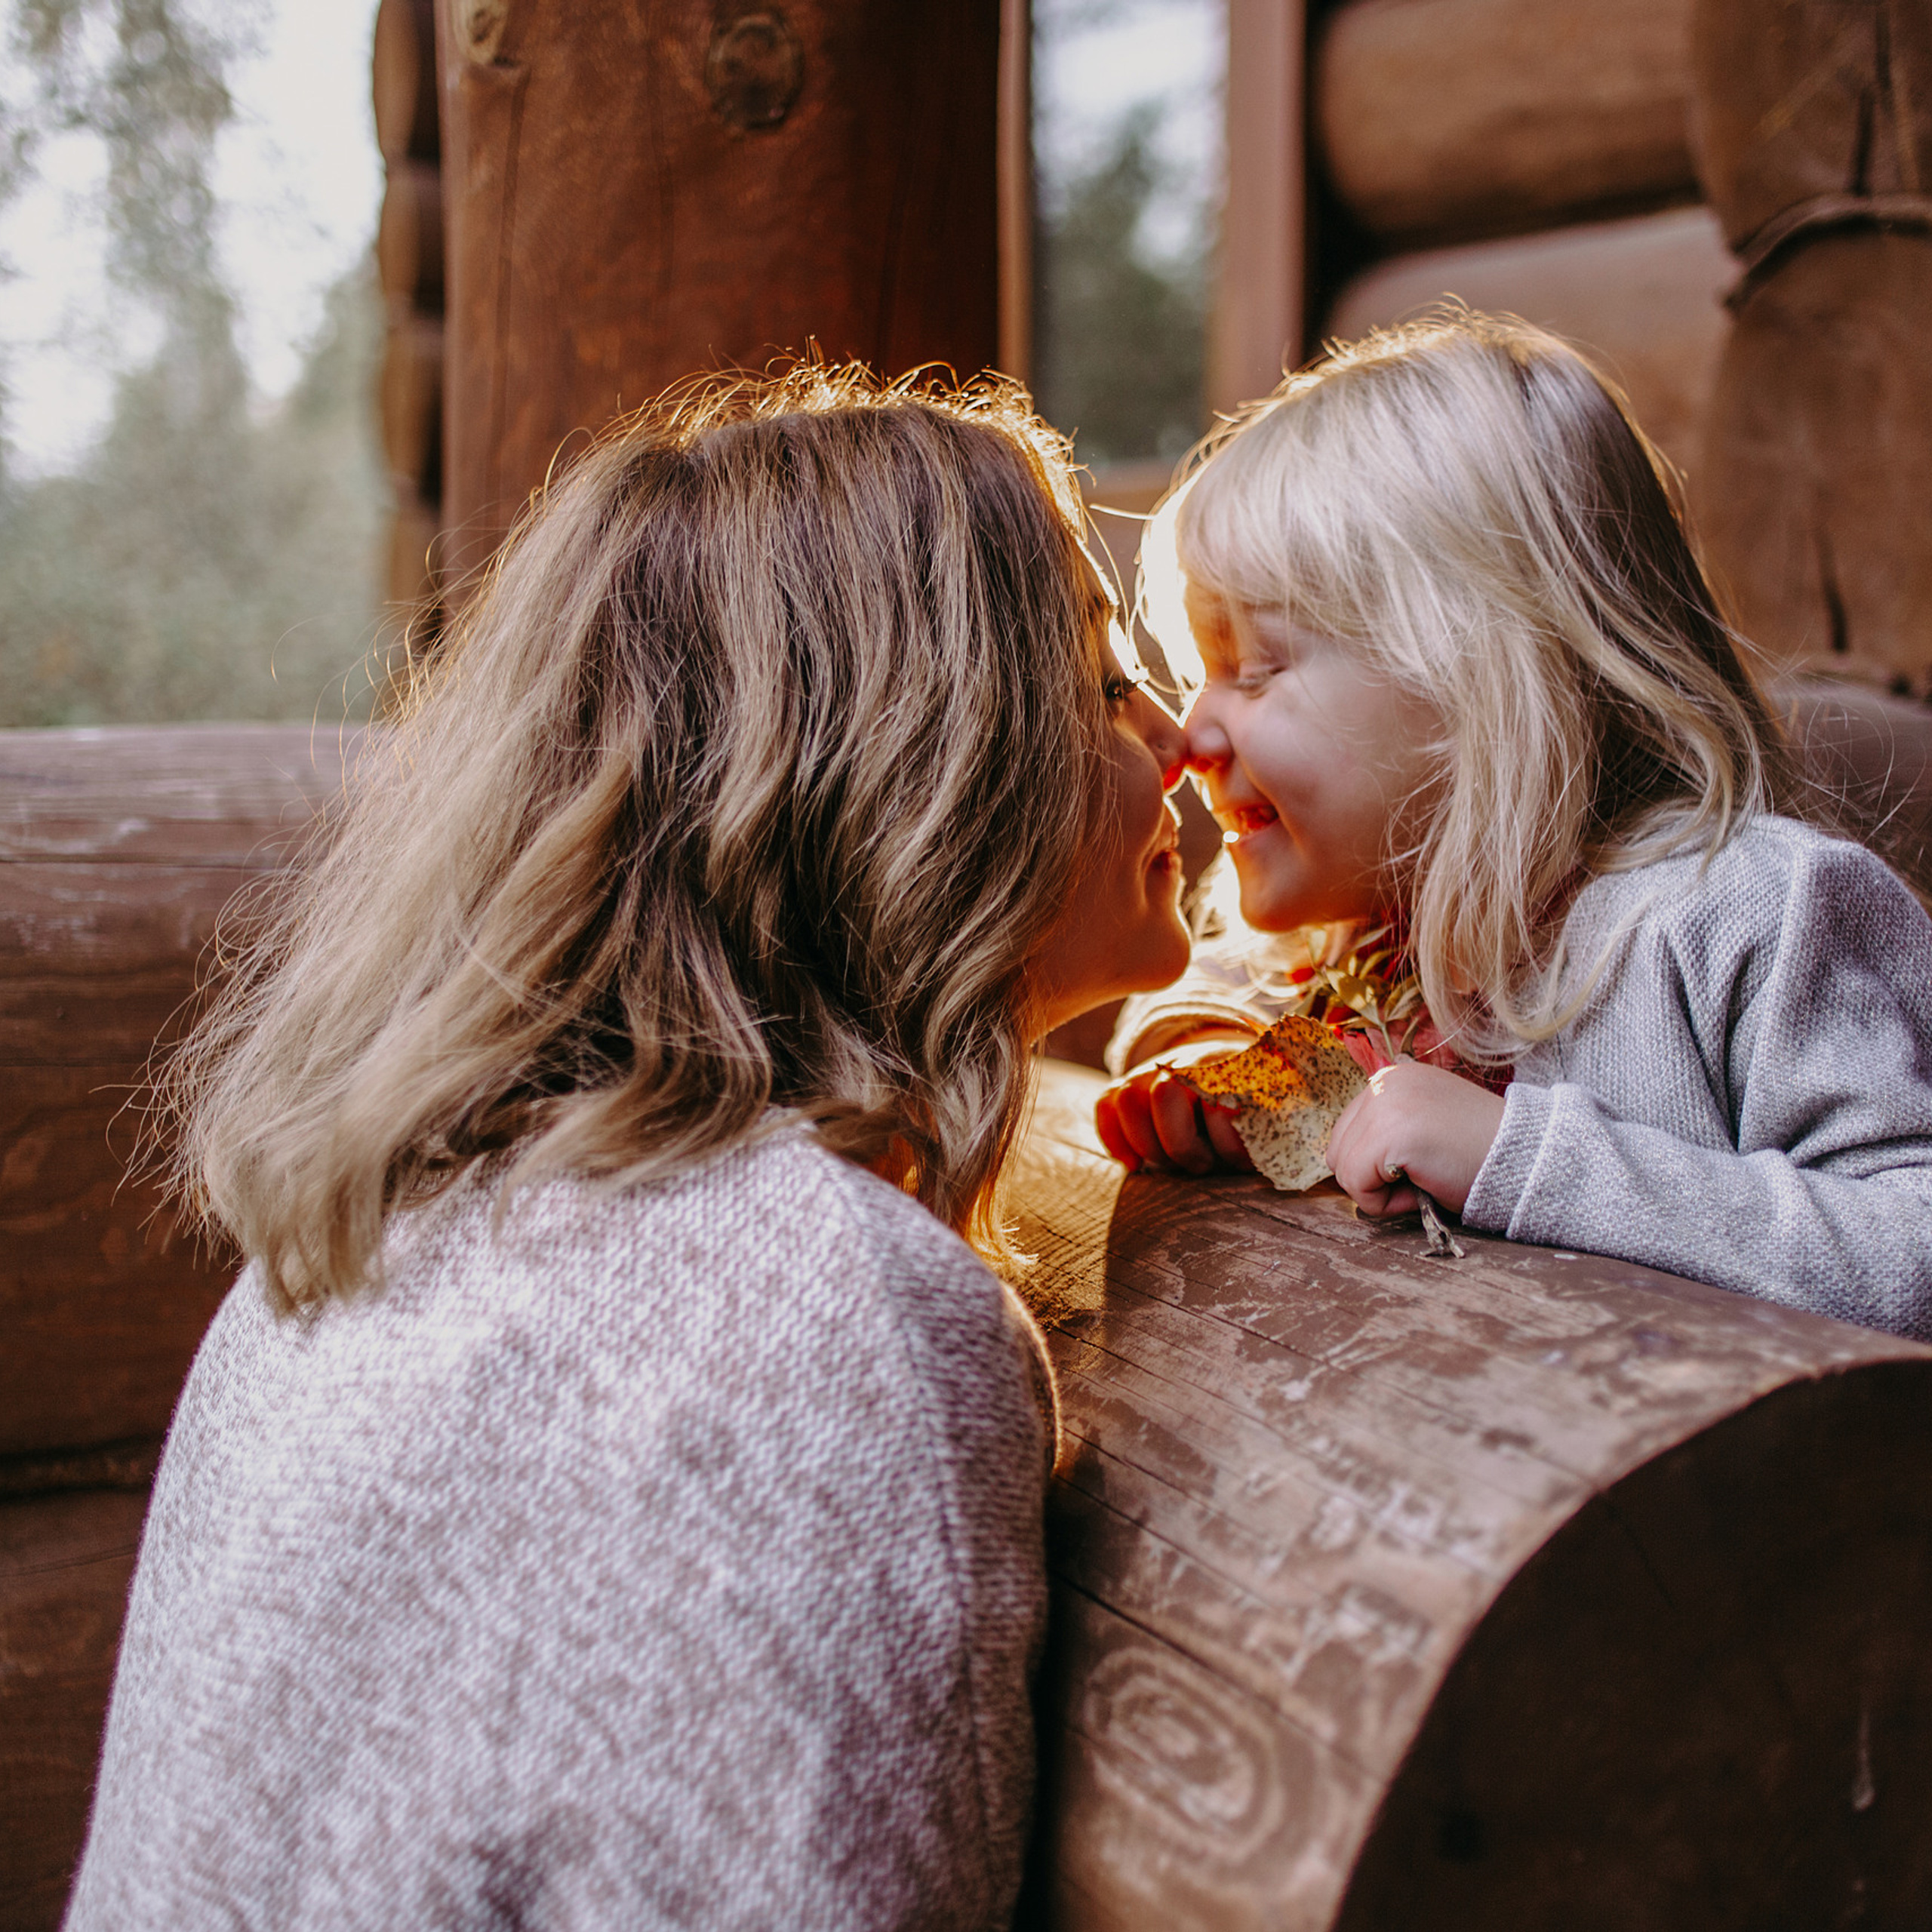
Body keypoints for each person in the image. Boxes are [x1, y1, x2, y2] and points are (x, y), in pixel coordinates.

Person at [66, 366, 1190, 1930]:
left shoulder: (352, 1254)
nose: (1185, 734)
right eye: (1097, 673)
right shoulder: (821, 1312)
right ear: (925, 760)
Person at [1097, 311, 1932, 1343]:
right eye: (1202, 671)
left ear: (1481, 679)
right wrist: (1214, 1068)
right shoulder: (1353, 926)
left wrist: (1526, 1161)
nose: (1190, 733)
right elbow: (1199, 996)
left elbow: (1912, 1249)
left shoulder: (1745, 912)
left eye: (1256, 668)